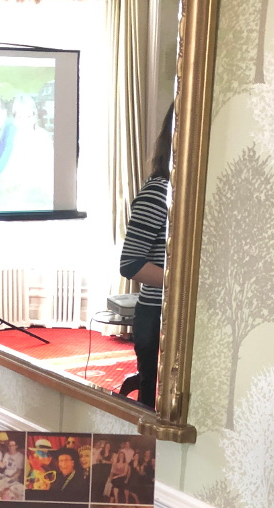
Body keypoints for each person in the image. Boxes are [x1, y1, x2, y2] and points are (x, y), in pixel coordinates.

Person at [119, 104, 173, 409]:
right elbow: (131, 263)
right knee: (156, 412)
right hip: (157, 319)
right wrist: (185, 285)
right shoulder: (159, 192)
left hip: (182, 317)